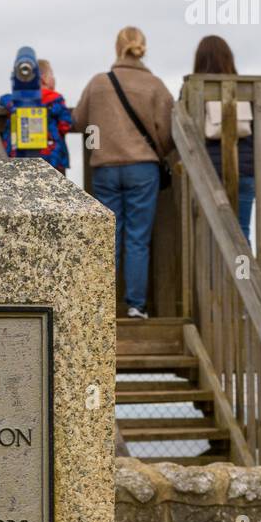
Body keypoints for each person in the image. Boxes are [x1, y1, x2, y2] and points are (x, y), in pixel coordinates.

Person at [72, 27, 173, 318]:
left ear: (117, 48)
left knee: (108, 237)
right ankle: (135, 305)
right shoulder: (154, 85)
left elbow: (78, 121)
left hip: (105, 167)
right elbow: (166, 132)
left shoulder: (99, 83)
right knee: (137, 237)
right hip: (142, 167)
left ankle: (102, 305)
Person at [192, 35, 254, 243]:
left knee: (209, 233)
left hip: (209, 170)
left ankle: (212, 277)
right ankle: (243, 276)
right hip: (244, 170)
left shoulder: (193, 90)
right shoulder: (246, 90)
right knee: (242, 231)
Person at [0, 47, 72, 173]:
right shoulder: (55, 99)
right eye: (51, 75)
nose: (54, 79)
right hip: (51, 156)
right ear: (43, 78)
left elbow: (3, 99)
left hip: (18, 157)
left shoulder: (15, 101)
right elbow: (65, 124)